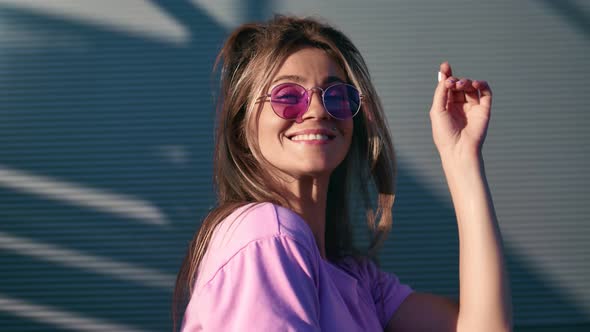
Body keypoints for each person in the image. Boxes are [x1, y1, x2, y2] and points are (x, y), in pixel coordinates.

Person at [172, 15, 512, 331]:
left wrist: (461, 157)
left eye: (337, 96)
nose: (318, 110)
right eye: (288, 95)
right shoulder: (266, 234)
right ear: (243, 124)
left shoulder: (357, 280)